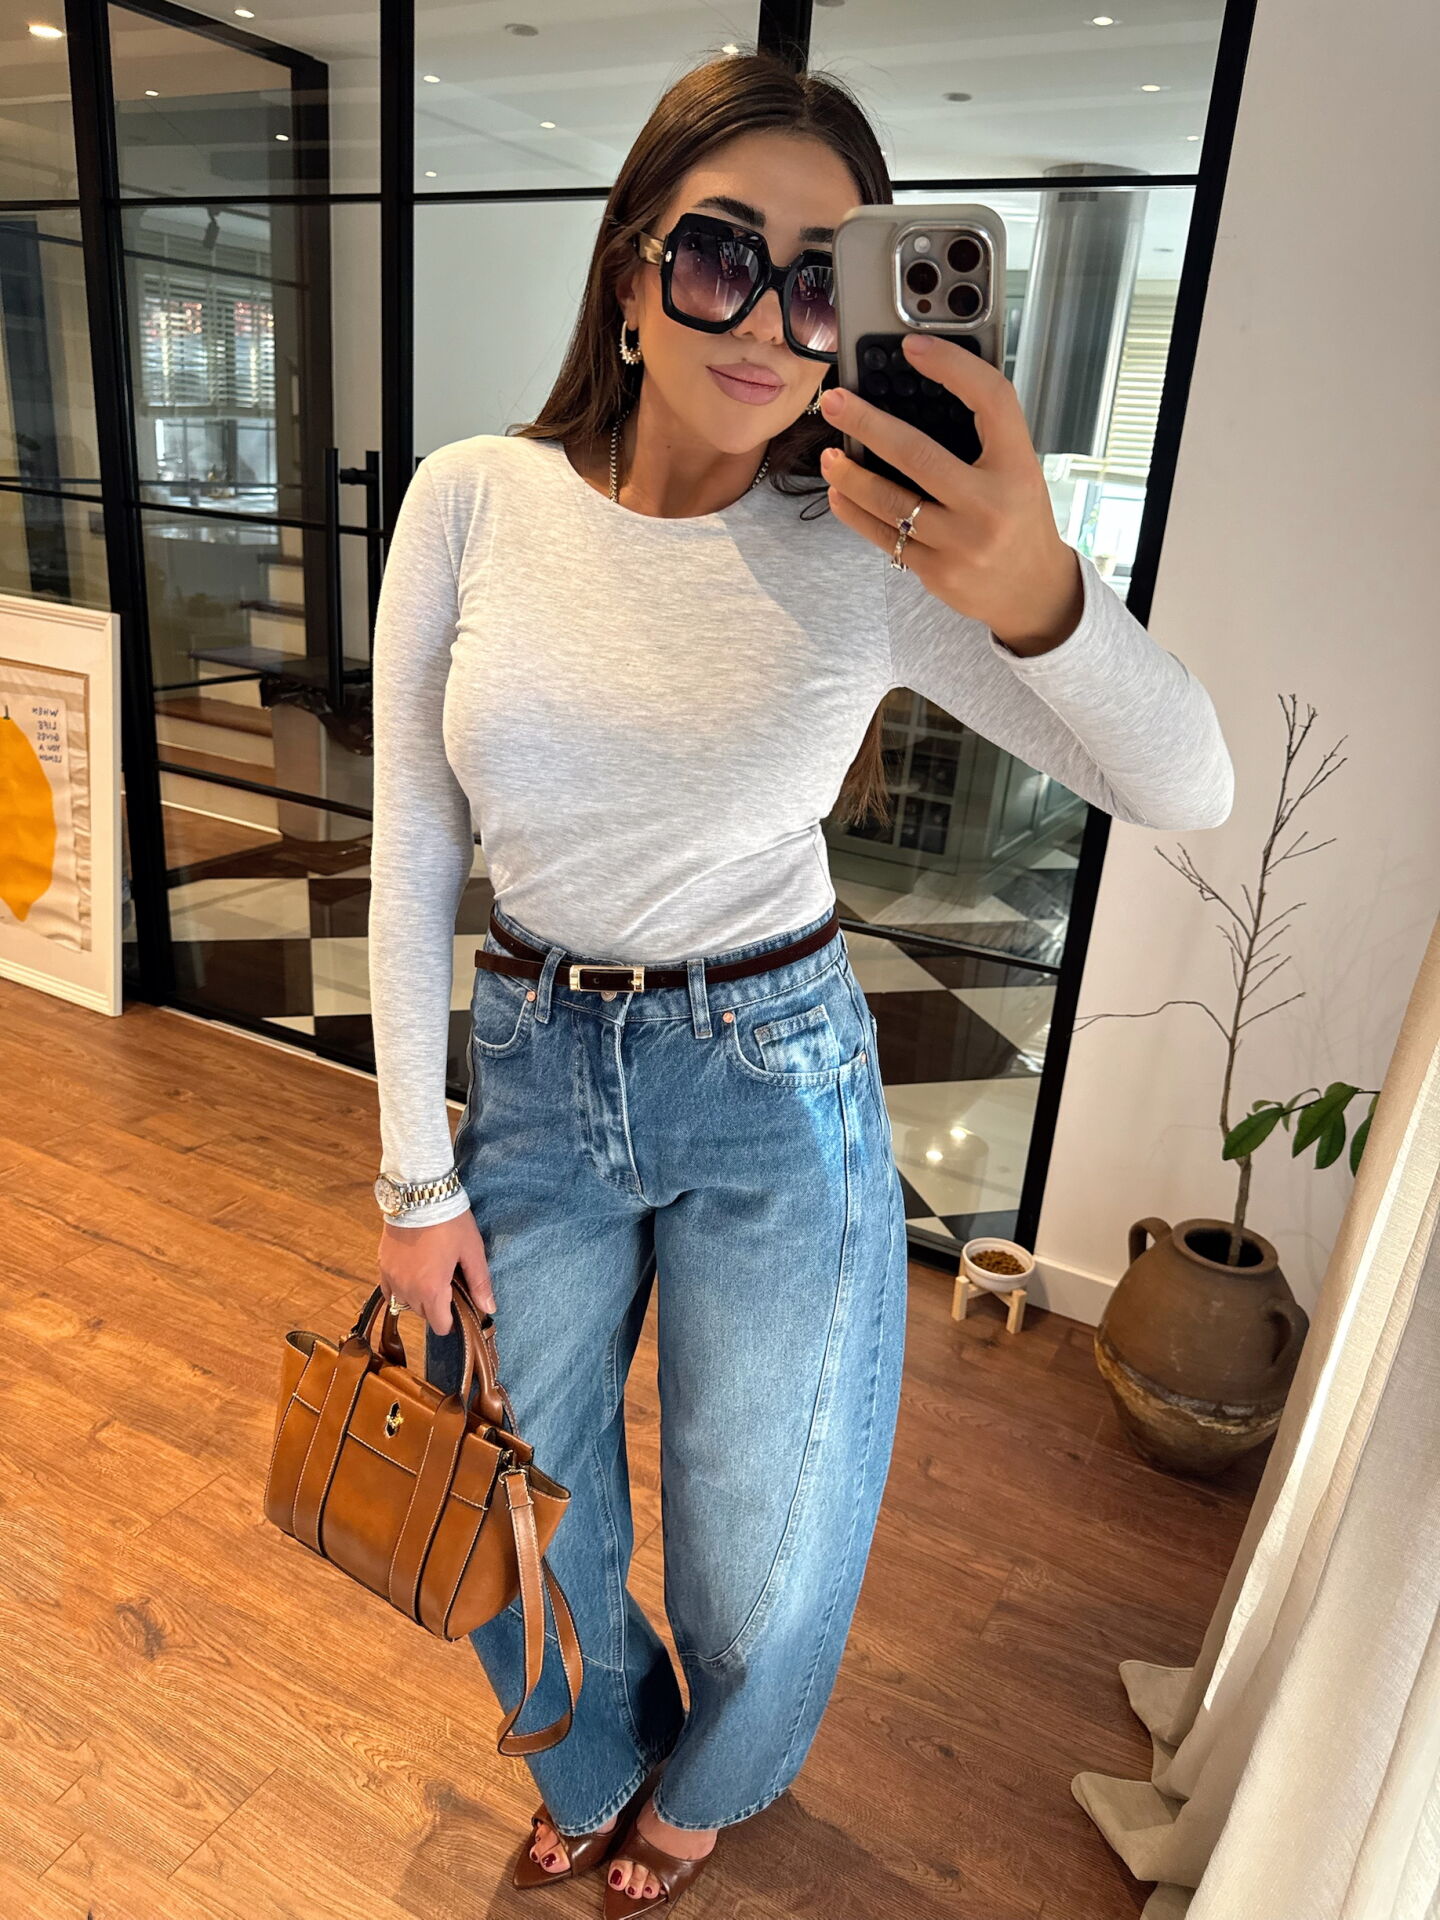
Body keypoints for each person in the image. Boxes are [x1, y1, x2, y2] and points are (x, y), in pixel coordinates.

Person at [366, 50, 1234, 1915]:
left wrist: (1037, 581)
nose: (768, 316)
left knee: (764, 1548)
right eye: (720, 256)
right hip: (532, 1063)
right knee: (523, 1497)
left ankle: (716, 1784)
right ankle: (592, 1757)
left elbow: (1188, 784)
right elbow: (416, 842)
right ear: (631, 270)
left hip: (769, 1069)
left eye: (823, 278)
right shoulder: (472, 499)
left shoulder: (872, 550)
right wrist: (412, 1174)